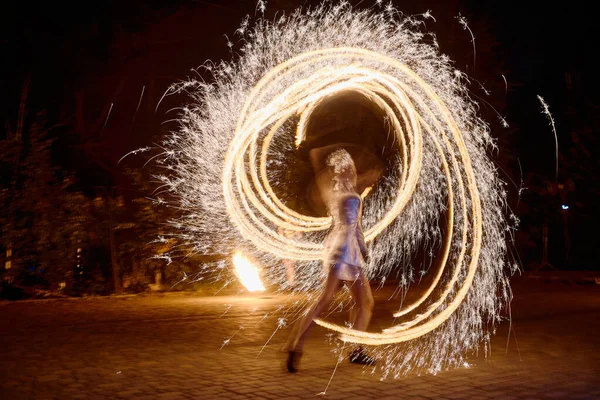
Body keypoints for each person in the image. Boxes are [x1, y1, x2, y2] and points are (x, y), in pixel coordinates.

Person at [285, 147, 382, 373]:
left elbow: (349, 227)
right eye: (352, 168)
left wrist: (358, 252)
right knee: (364, 303)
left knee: (331, 301)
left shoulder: (336, 194)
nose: (355, 172)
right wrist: (359, 253)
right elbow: (352, 229)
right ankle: (355, 350)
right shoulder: (352, 198)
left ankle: (296, 345)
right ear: (347, 171)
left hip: (337, 251)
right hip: (346, 254)